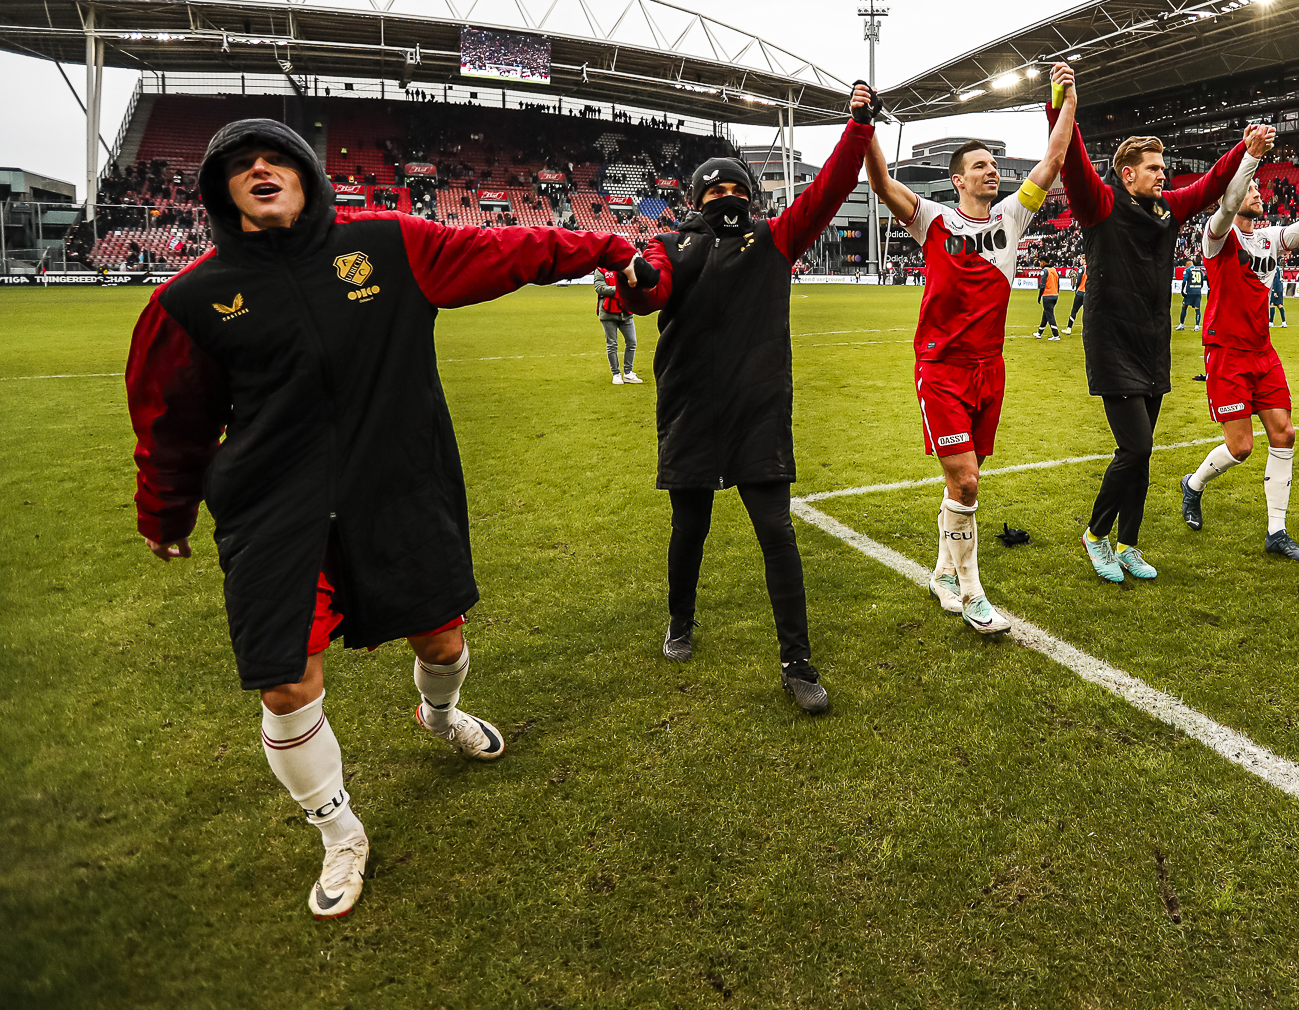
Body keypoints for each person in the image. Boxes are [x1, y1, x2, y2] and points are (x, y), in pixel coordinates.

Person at [125, 118, 650, 921]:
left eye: (275, 157)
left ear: (306, 173)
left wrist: (608, 247)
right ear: (219, 189)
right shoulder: (190, 299)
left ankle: (438, 714)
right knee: (284, 682)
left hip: (399, 488)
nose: (259, 168)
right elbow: (170, 421)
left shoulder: (390, 244)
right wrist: (164, 511)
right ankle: (338, 830)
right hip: (273, 511)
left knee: (442, 642)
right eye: (239, 164)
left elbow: (511, 253)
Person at [617, 84, 876, 714]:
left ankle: (798, 662)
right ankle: (680, 621)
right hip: (692, 408)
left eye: (734, 191)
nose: (724, 200)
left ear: (751, 197)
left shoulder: (776, 238)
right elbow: (647, 293)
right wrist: (638, 285)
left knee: (776, 532)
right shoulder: (671, 246)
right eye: (712, 193)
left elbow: (830, 191)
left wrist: (858, 127)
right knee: (691, 528)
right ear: (694, 201)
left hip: (758, 406)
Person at [864, 66, 1080, 633]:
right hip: (941, 369)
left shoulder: (1014, 215)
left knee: (964, 482)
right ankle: (973, 593)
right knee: (967, 483)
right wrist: (865, 126)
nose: (992, 172)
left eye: (993, 166)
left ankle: (940, 572)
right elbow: (883, 184)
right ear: (958, 180)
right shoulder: (932, 219)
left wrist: (1066, 99)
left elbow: (1053, 162)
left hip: (990, 370)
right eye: (981, 166)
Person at [1053, 104, 1256, 582]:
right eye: (1153, 168)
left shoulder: (1167, 210)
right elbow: (1074, 165)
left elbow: (1208, 186)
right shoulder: (1101, 204)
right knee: (1136, 447)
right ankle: (1096, 534)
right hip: (1112, 345)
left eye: (1164, 169)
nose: (1162, 175)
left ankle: (1129, 545)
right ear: (1127, 174)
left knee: (1142, 455)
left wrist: (1244, 150)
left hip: (1152, 347)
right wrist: (1062, 106)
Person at [1178, 143, 1299, 561]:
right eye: (1250, 188)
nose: (1258, 193)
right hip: (1226, 351)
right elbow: (1226, 207)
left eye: (1257, 187)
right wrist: (1249, 160)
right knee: (1240, 448)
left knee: (1285, 434)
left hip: (1262, 351)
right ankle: (1194, 484)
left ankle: (1277, 532)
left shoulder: (1271, 238)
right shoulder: (1217, 235)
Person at [596, 265, 642, 383]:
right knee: (612, 344)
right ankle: (616, 374)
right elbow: (600, 288)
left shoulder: (627, 267)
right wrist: (620, 290)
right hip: (608, 312)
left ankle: (628, 372)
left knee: (632, 341)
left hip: (626, 311)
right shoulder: (601, 269)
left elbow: (634, 285)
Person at [1032, 264, 1062, 340]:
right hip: (1055, 295)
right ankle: (1039, 333)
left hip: (1047, 295)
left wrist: (1039, 296)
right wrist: (1056, 293)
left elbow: (1042, 285)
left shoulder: (1045, 271)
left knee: (1050, 315)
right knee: (1046, 313)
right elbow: (1058, 284)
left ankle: (1056, 335)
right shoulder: (1054, 270)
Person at [1177, 256, 1205, 330]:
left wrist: (1182, 290)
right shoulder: (1199, 270)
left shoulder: (1188, 270)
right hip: (1198, 291)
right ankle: (1197, 326)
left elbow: (1184, 281)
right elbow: (1202, 281)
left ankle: (1181, 324)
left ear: (1187, 264)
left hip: (1190, 291)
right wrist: (1199, 288)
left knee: (1184, 306)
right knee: (1197, 308)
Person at [1066, 255, 1088, 329]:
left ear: (1084, 260)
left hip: (1081, 292)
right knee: (1087, 312)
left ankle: (1069, 328)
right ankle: (1086, 330)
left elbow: (1078, 280)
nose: (1080, 261)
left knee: (1074, 310)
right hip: (1088, 293)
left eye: (1081, 259)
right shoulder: (1091, 268)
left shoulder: (1082, 268)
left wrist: (1076, 288)